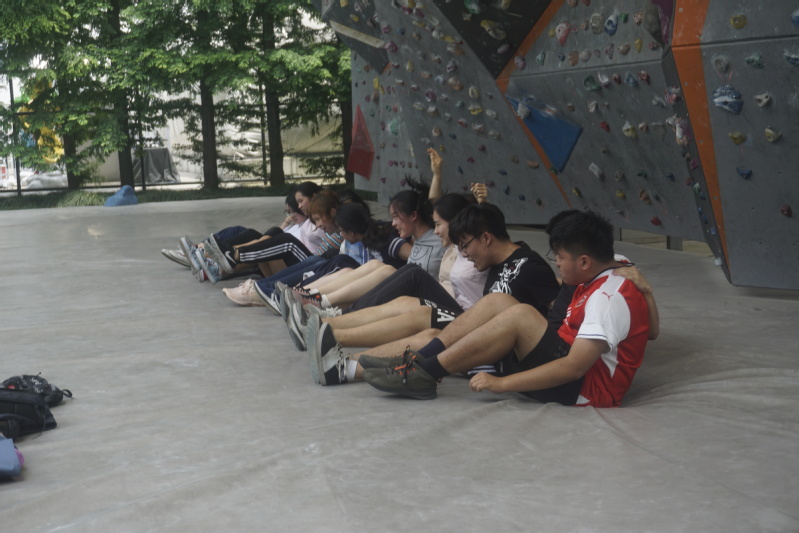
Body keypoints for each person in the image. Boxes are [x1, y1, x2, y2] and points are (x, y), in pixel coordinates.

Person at [356, 209, 654, 407]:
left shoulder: (607, 297)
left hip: (583, 389)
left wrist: (502, 384)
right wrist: (649, 295)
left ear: (585, 261)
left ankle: (423, 373)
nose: (557, 265)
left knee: (521, 315)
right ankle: (420, 362)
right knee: (499, 300)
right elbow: (649, 330)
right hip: (562, 353)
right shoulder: (615, 264)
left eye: (560, 258)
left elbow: (574, 367)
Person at [304, 200, 564, 385]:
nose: (464, 254)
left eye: (465, 246)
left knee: (426, 324)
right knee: (414, 305)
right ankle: (340, 351)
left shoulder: (529, 265)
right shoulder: (494, 263)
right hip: (480, 333)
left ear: (486, 239)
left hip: (500, 347)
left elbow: (557, 310)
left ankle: (340, 350)